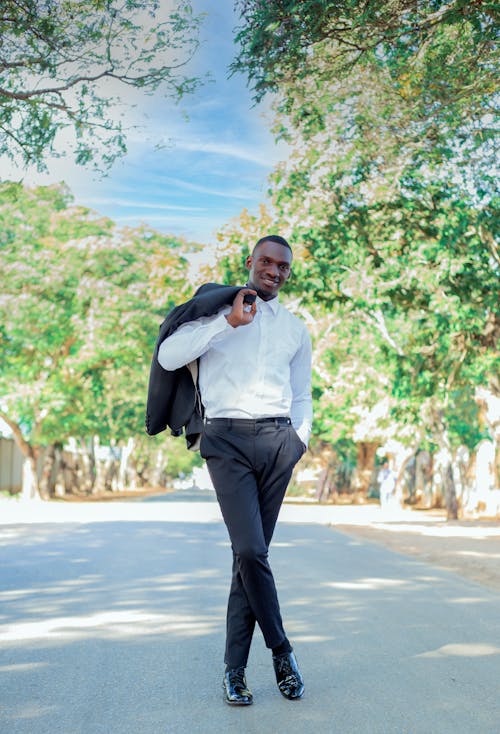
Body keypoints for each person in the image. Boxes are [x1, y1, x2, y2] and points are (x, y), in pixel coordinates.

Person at [157, 235, 312, 705]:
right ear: (250, 263)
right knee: (249, 549)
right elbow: (168, 356)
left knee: (249, 560)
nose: (274, 271)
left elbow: (302, 391)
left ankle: (234, 672)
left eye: (283, 266)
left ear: (288, 272)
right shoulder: (214, 312)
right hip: (225, 440)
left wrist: (299, 440)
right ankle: (282, 652)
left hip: (277, 442)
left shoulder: (295, 328)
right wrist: (227, 322)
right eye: (266, 261)